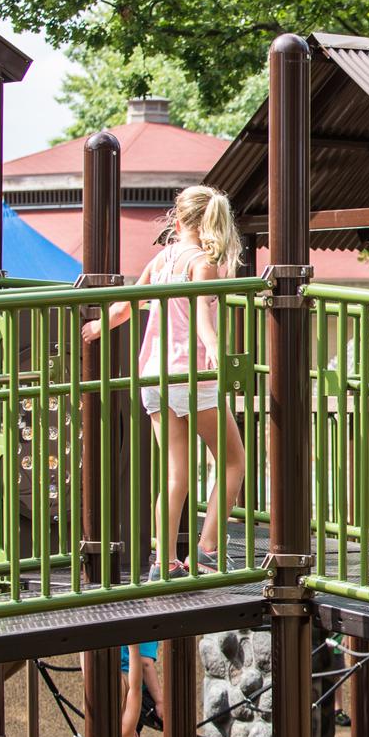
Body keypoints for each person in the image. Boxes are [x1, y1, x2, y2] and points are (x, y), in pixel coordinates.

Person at [83, 186, 247, 578]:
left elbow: (126, 307)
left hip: (154, 376)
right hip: (192, 374)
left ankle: (164, 560)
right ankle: (207, 549)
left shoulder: (162, 260)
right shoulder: (202, 263)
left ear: (178, 220)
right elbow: (203, 322)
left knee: (175, 473)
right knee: (233, 461)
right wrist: (220, 357)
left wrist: (95, 327)